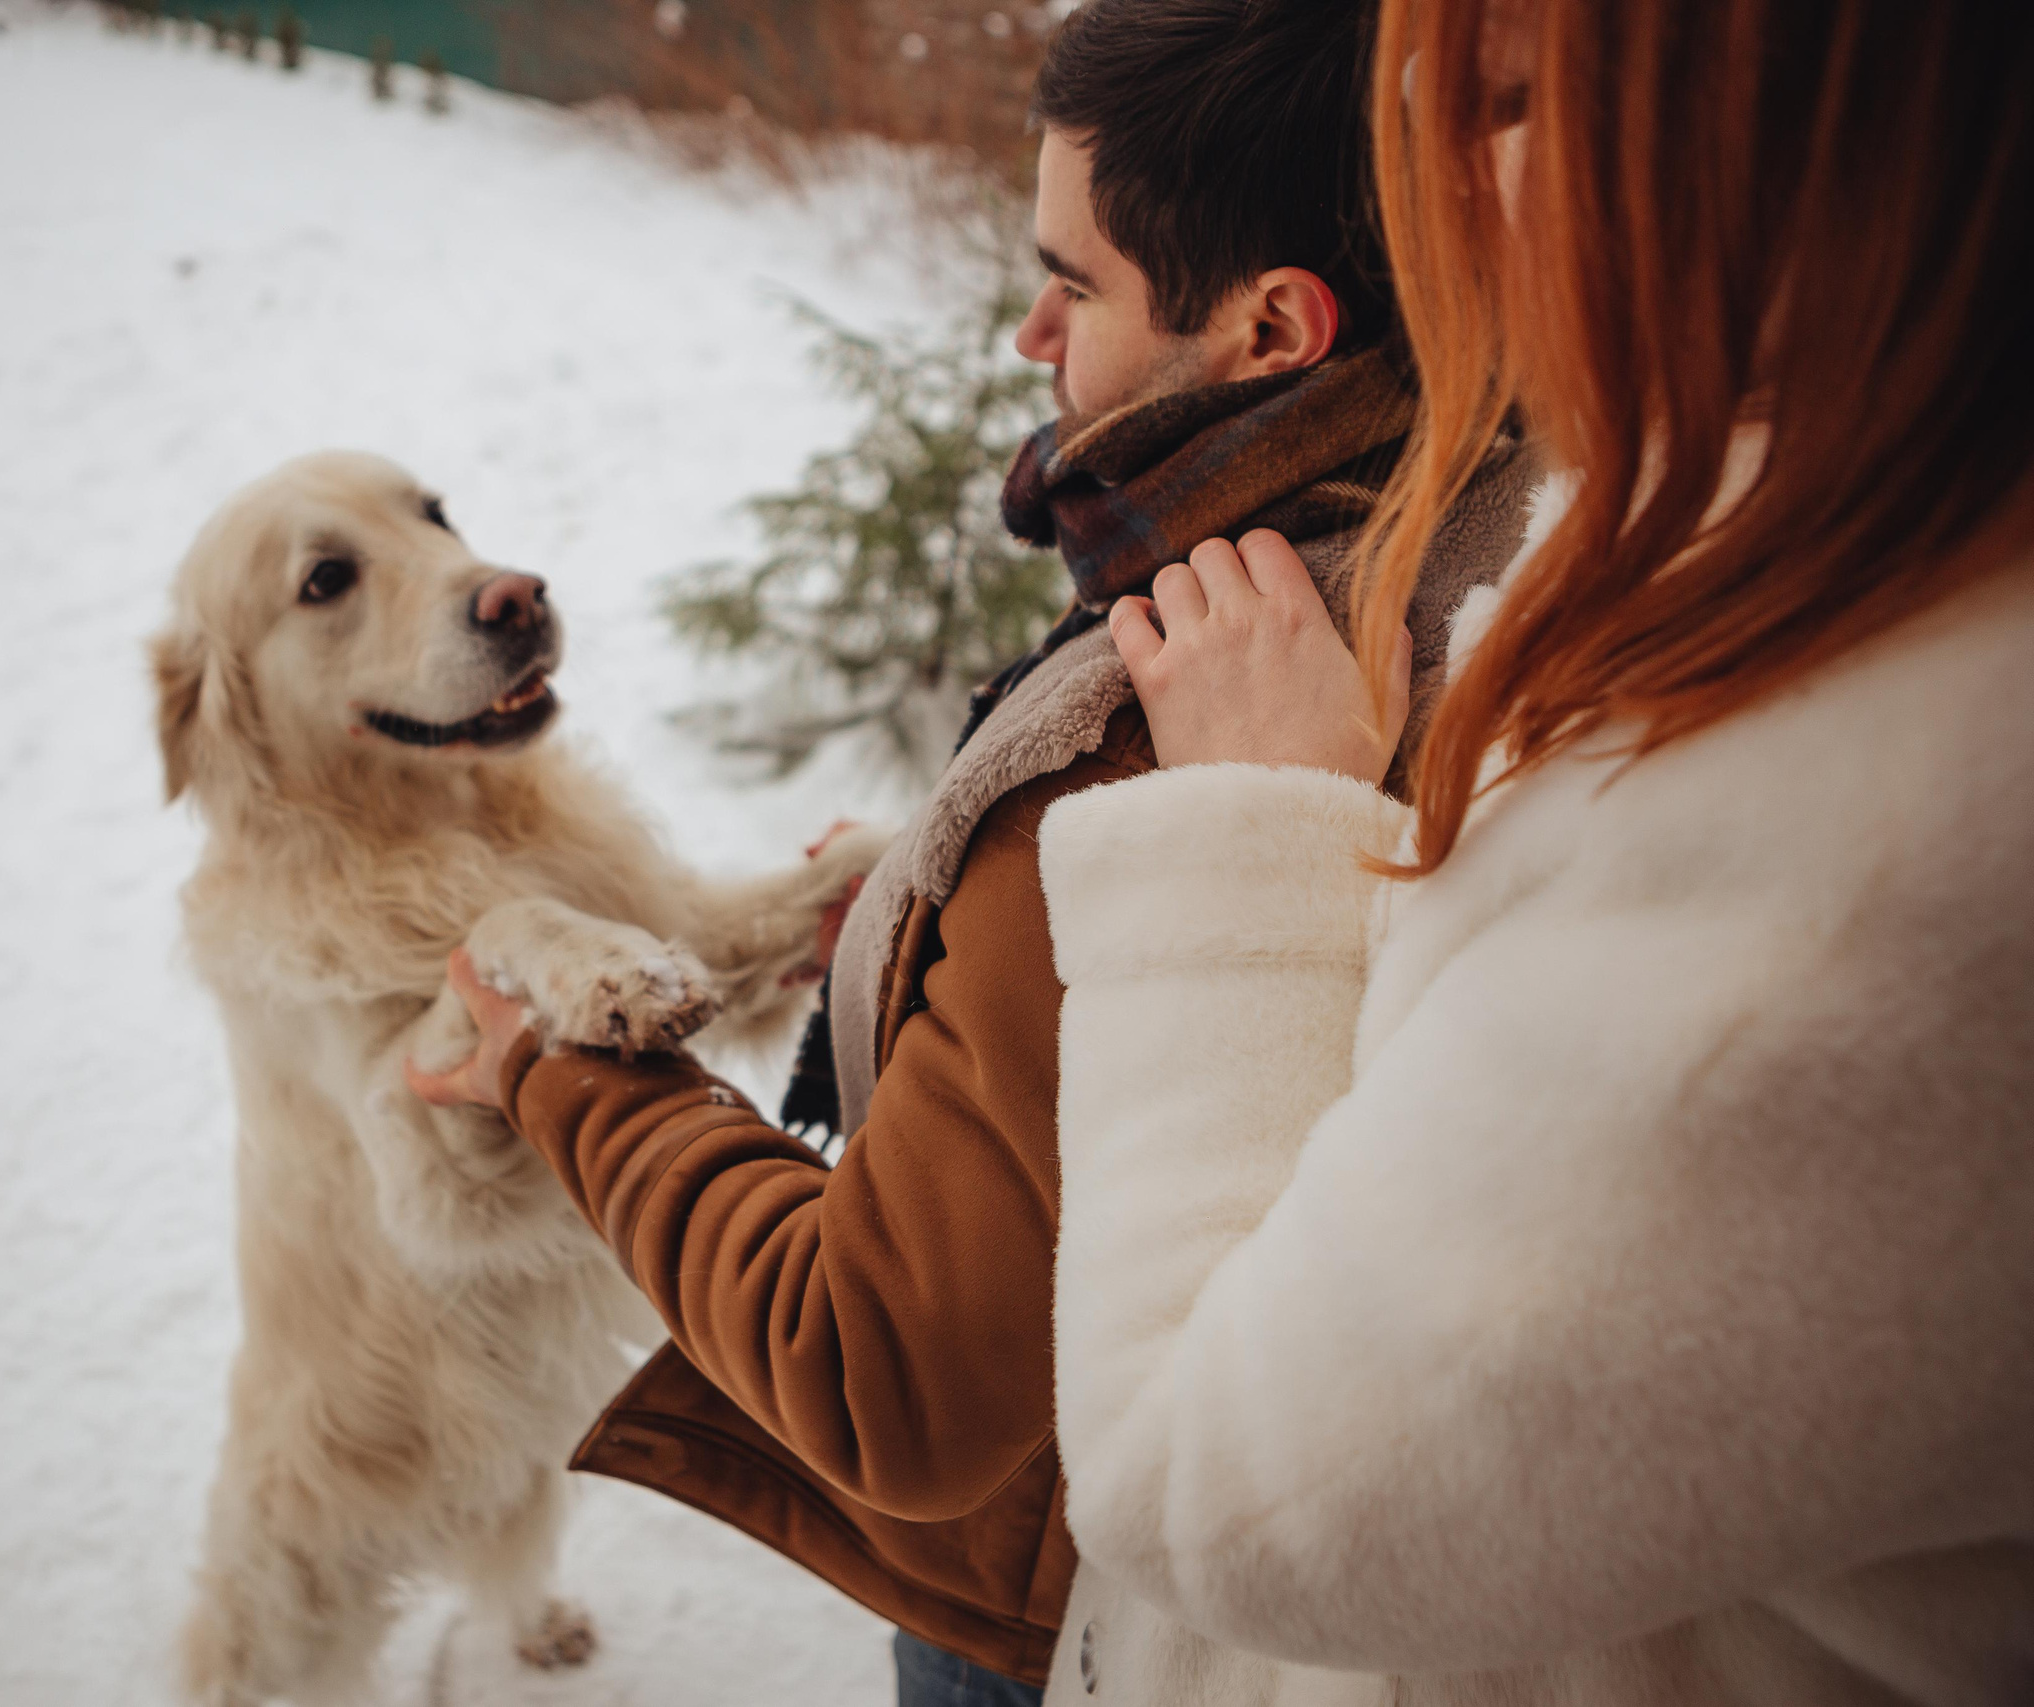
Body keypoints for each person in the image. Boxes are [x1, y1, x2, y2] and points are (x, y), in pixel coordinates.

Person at [413, 1, 1536, 1700]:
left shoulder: (1155, 724)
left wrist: (556, 1072)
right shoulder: (1480, 529)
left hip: (1063, 1614)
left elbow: (881, 1375)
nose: (1030, 332)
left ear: (1271, 327)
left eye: (1074, 282)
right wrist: (933, 934)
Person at [1029, 0, 2034, 1701]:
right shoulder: (1716, 532)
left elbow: (1212, 1485)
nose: (1426, 165)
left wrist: (1251, 840)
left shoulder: (1856, 851)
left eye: (1503, 98)